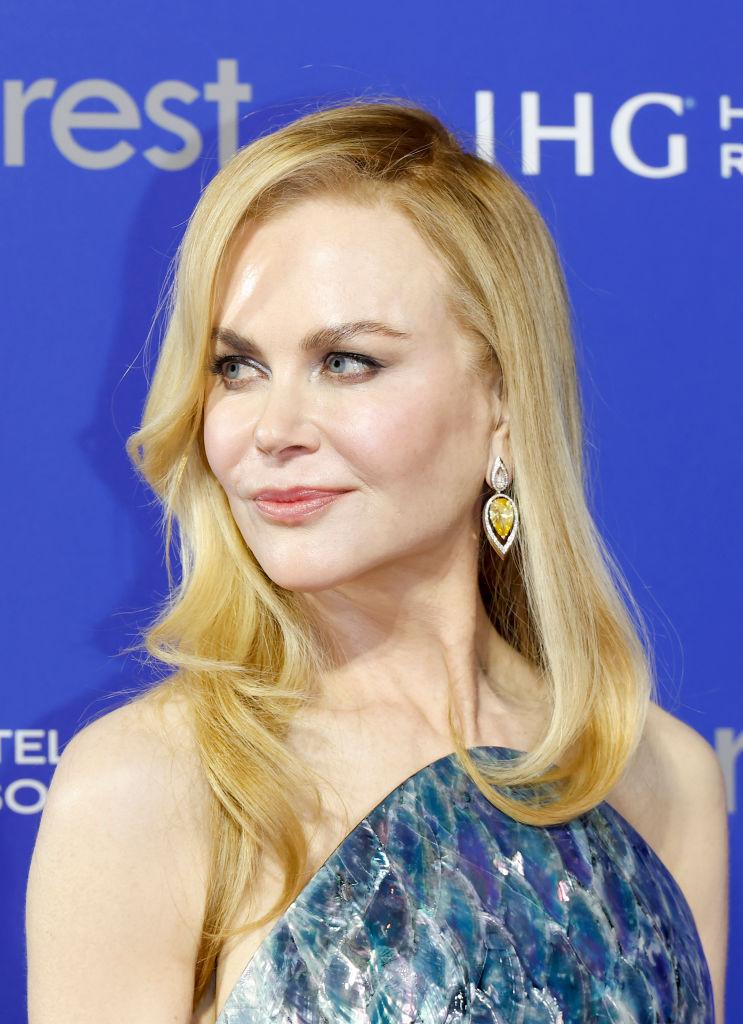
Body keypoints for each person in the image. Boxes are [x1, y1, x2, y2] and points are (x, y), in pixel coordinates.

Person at [25, 98, 728, 1024]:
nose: (271, 430)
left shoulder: (655, 773)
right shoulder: (154, 788)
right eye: (236, 367)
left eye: (346, 361)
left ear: (502, 402)